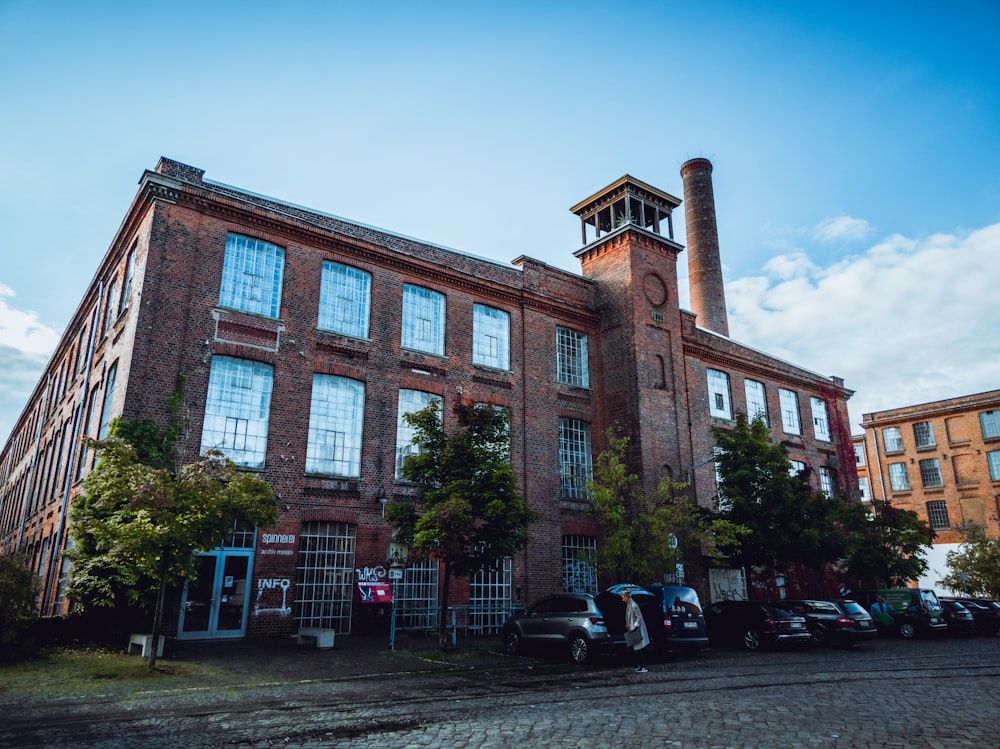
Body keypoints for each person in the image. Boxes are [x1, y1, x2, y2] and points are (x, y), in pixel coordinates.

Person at [621, 588, 650, 673]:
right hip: (633, 628)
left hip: (637, 630)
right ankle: (639, 665)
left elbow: (639, 617)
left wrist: (635, 626)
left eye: (623, 597)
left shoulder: (634, 605)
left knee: (638, 648)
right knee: (636, 648)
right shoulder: (630, 604)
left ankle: (643, 666)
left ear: (627, 597)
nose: (622, 599)